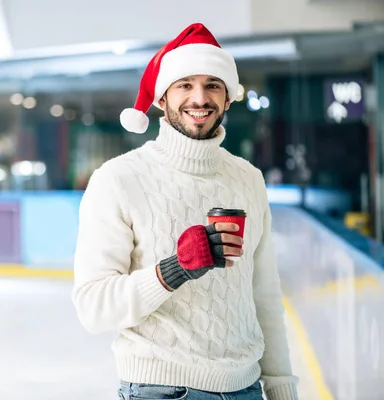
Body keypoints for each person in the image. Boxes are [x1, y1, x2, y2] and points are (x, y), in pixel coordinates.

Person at [71, 23, 299, 400]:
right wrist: (171, 270)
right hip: (161, 390)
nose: (200, 98)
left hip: (245, 388)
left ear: (228, 99)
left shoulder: (248, 179)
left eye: (213, 84)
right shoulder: (118, 179)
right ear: (162, 99)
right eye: (184, 85)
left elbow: (265, 298)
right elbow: (93, 308)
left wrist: (282, 390)